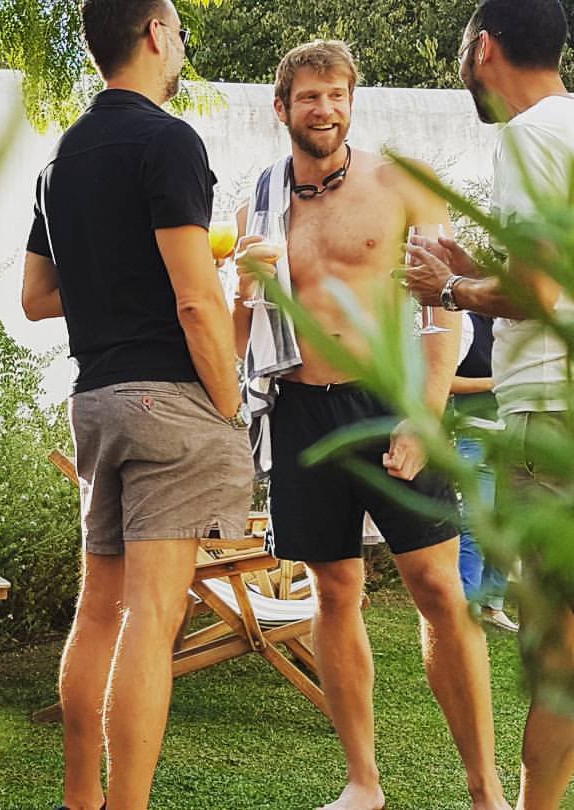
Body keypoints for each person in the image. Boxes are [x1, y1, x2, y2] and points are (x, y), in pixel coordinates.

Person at [234, 40, 511, 810]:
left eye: (338, 95)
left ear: (352, 101)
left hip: (390, 399)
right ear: (281, 107)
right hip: (302, 409)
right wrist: (243, 289)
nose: (325, 109)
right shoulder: (259, 206)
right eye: (310, 96)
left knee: (438, 590)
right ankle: (363, 783)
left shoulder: (401, 186)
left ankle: (485, 791)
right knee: (333, 591)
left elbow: (440, 315)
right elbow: (243, 334)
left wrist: (424, 414)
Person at [21, 1, 253, 808]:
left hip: (95, 400)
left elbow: (36, 297)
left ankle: (80, 800)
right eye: (179, 31)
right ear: (156, 33)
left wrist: (114, 276)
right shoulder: (169, 141)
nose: (181, 45)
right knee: (153, 618)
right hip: (169, 400)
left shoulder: (60, 161)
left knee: (99, 610)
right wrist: (229, 406)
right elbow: (196, 300)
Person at [405, 1, 574, 806]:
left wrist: (448, 288)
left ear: (484, 49)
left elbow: (537, 293)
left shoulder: (529, 134)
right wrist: (478, 269)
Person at [452, 312, 517, 632]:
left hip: (515, 437)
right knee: (476, 524)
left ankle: (493, 604)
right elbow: (443, 381)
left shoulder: (516, 323)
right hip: (476, 436)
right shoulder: (466, 323)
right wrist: (496, 382)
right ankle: (468, 605)